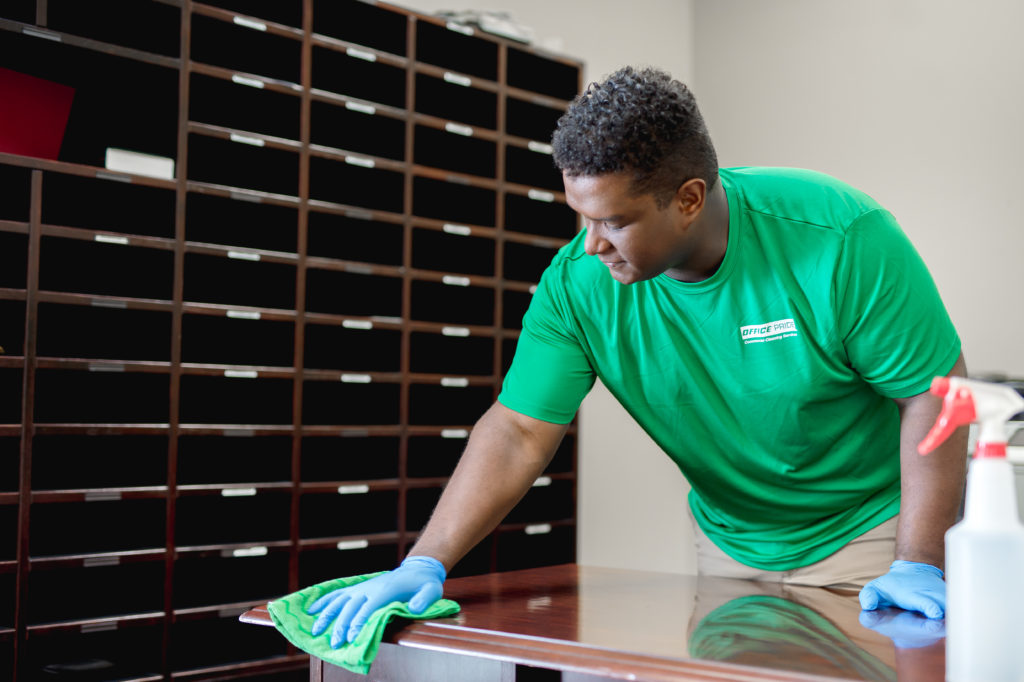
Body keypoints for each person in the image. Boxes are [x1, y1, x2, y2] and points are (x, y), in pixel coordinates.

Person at [305, 66, 968, 649]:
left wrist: (917, 559)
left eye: (614, 222)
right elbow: (518, 430)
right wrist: (427, 561)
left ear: (687, 201)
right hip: (730, 542)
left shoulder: (839, 238)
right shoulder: (579, 284)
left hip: (872, 535)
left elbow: (934, 395)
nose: (591, 245)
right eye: (581, 217)